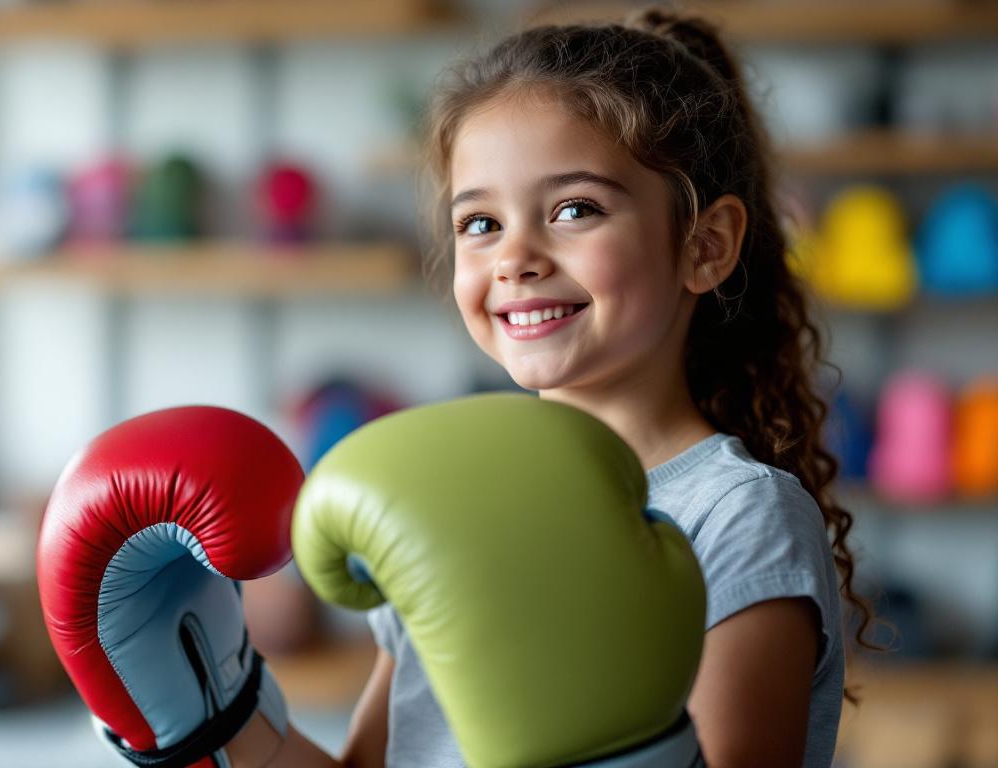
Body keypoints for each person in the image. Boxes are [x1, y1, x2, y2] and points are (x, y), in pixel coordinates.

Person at [222, 7, 875, 768]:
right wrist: (212, 707)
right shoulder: (454, 502)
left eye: (575, 209)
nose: (515, 258)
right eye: (480, 223)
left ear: (705, 245)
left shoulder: (740, 515)